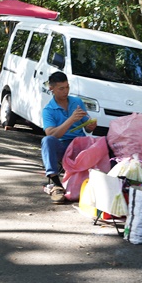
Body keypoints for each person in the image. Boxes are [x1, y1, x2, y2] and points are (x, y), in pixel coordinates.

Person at [40, 72, 91, 204]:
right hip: (63, 147)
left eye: (67, 87)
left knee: (105, 142)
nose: (65, 91)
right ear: (52, 89)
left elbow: (89, 128)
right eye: (61, 88)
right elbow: (51, 134)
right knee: (47, 141)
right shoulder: (48, 110)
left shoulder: (77, 102)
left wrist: (91, 123)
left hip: (80, 144)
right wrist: (71, 119)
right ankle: (56, 184)